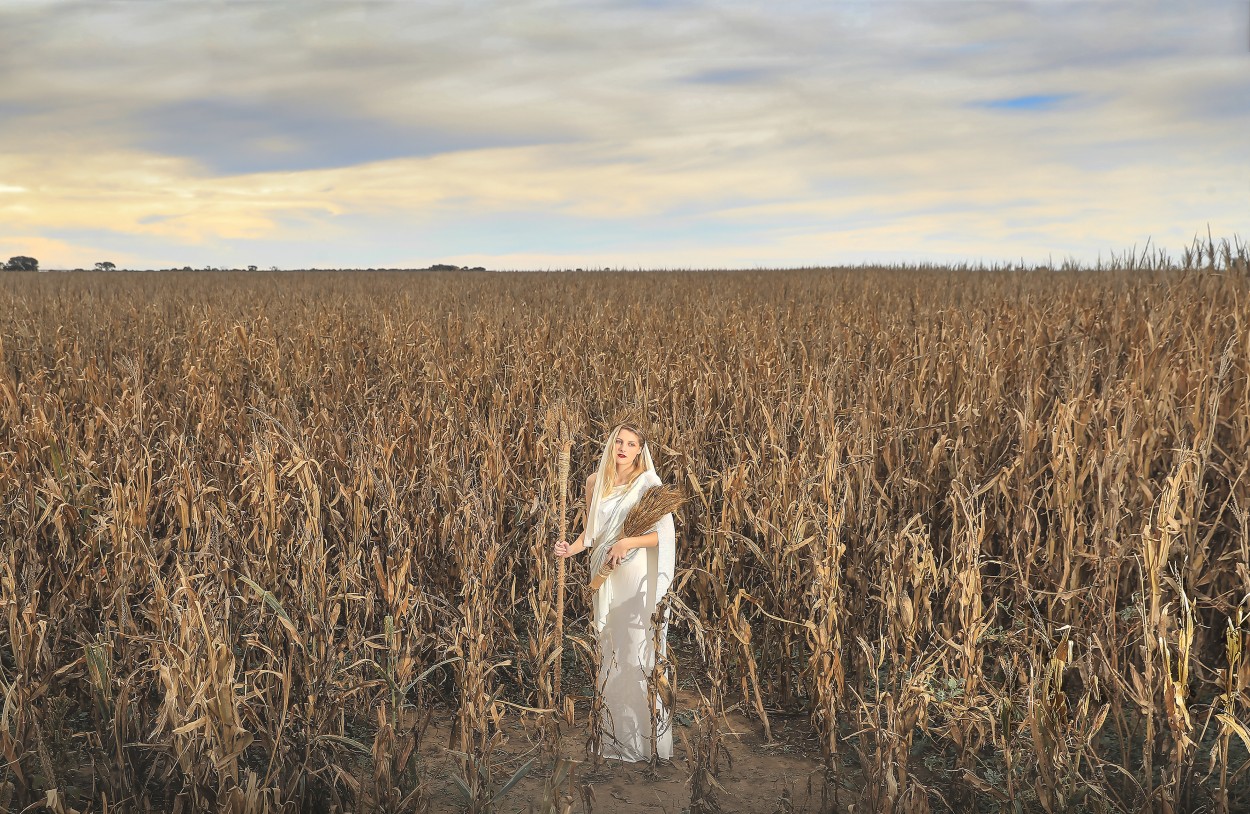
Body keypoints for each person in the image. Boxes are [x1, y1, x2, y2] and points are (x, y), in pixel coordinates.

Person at [553, 422, 677, 762]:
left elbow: (661, 537)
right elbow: (591, 534)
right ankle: (612, 738)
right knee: (610, 652)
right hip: (605, 572)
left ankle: (645, 741)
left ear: (640, 450)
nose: (623, 448)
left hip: (635, 577)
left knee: (637, 652)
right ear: (611, 444)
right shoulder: (595, 481)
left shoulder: (648, 484)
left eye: (631, 444)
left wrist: (626, 541)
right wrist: (570, 549)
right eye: (618, 441)